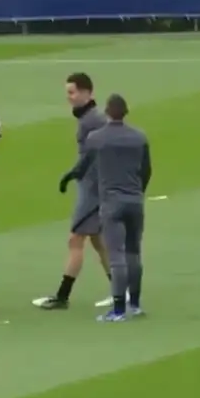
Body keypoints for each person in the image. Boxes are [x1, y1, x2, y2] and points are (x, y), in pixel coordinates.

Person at [59, 94, 149, 322]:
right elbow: (147, 170)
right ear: (126, 112)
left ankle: (118, 310)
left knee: (116, 254)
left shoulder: (97, 138)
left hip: (111, 202)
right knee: (134, 253)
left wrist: (67, 178)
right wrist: (139, 191)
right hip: (135, 200)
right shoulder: (139, 137)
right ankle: (135, 305)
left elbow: (82, 167)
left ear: (108, 113)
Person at [33, 73, 115, 310]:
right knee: (99, 242)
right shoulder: (90, 118)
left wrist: (74, 173)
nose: (69, 97)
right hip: (93, 187)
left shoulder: (92, 121)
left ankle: (62, 296)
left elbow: (94, 154)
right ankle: (122, 291)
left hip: (92, 190)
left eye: (72, 92)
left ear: (87, 93)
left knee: (75, 239)